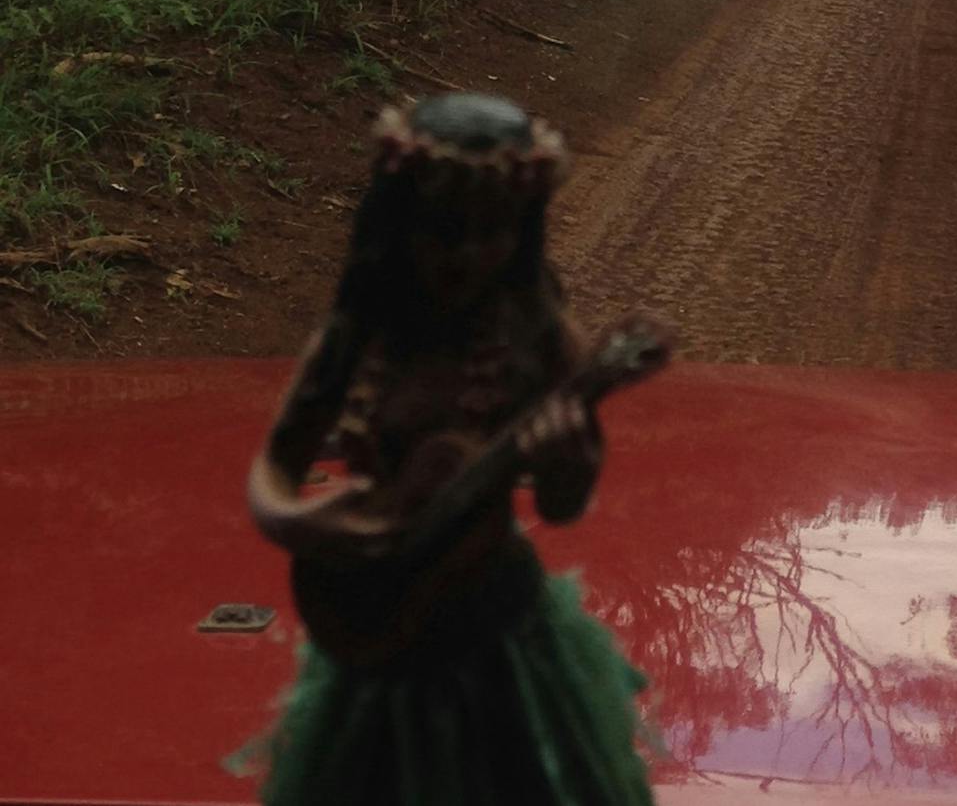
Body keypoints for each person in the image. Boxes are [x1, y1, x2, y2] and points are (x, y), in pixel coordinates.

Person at [236, 92, 660, 805]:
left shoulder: (542, 343)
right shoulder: (357, 336)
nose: (466, 252)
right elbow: (277, 467)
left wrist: (569, 461)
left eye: (493, 231)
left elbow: (561, 508)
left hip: (499, 637)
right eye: (441, 229)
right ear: (398, 222)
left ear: (522, 231)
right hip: (378, 635)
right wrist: (303, 523)